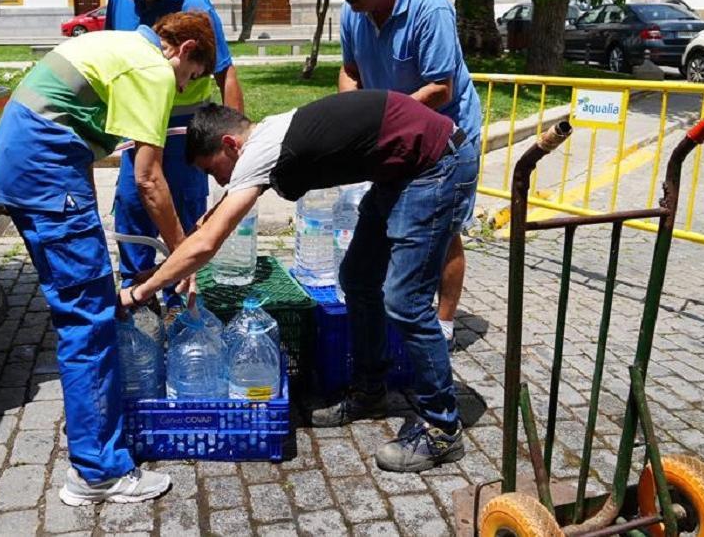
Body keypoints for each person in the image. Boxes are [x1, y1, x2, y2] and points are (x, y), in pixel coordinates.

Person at [121, 91, 476, 472]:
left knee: (405, 302)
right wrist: (164, 268)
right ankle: (370, 390)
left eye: (213, 169)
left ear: (230, 144)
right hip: (401, 170)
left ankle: (442, 428)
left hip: (436, 165)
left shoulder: (259, 152)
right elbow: (207, 226)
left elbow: (208, 242)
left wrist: (140, 292)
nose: (218, 179)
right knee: (357, 279)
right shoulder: (264, 137)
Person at [0, 11, 217, 504]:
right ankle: (97, 472)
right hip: (45, 171)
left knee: (85, 305)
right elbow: (149, 180)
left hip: (35, 164)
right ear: (185, 51)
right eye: (191, 76)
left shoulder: (124, 48)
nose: (183, 87)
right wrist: (185, 255)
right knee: (88, 318)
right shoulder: (154, 70)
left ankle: (91, 433)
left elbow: (73, 124)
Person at [330, 0, 482, 351]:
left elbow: (440, 89)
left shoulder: (429, 8)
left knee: (444, 231)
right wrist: (353, 113)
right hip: (393, 138)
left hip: (446, 143)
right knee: (384, 236)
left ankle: (444, 323)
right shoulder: (354, 13)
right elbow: (350, 71)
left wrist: (381, 121)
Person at [106, 0, 244, 306]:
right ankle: (135, 305)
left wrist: (236, 147)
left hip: (184, 140)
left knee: (182, 225)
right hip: (138, 131)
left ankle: (178, 308)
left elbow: (225, 71)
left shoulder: (195, 5)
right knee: (134, 213)